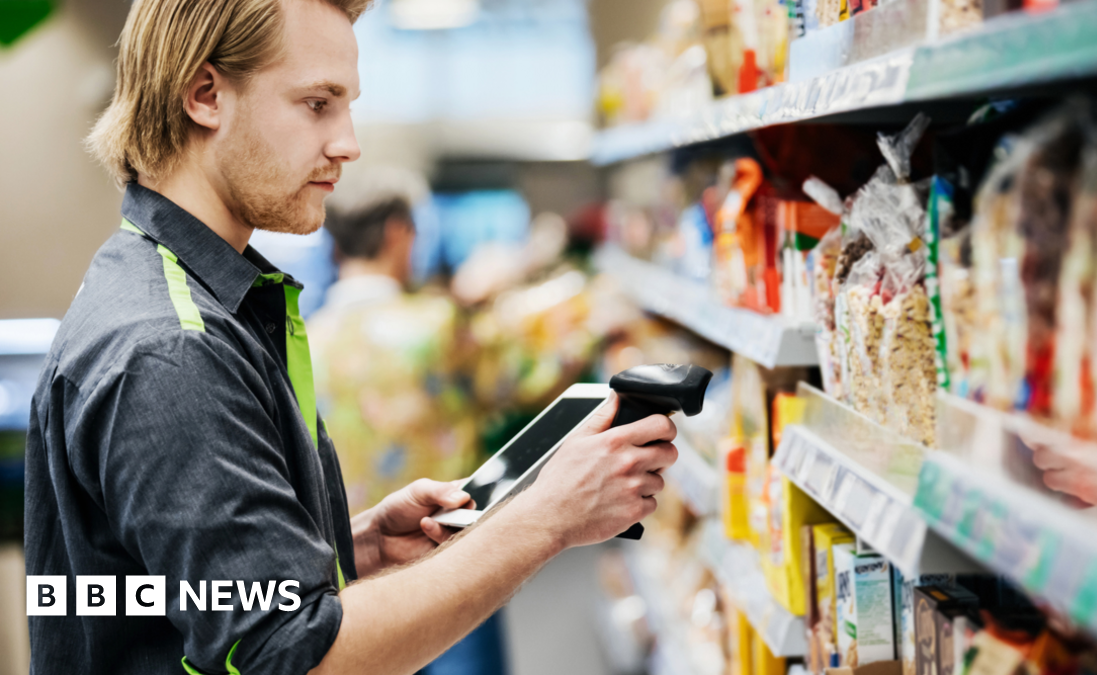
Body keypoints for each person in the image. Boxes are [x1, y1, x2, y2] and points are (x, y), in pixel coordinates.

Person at [24, 1, 678, 674]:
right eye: (317, 104)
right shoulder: (173, 347)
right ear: (204, 95)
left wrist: (346, 545)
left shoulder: (160, 286)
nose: (349, 142)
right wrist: (550, 516)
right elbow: (292, 659)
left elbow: (162, 588)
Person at [309, 167, 507, 675]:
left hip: (348, 578)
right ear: (399, 232)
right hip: (447, 551)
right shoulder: (437, 326)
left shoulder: (303, 341)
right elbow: (517, 377)